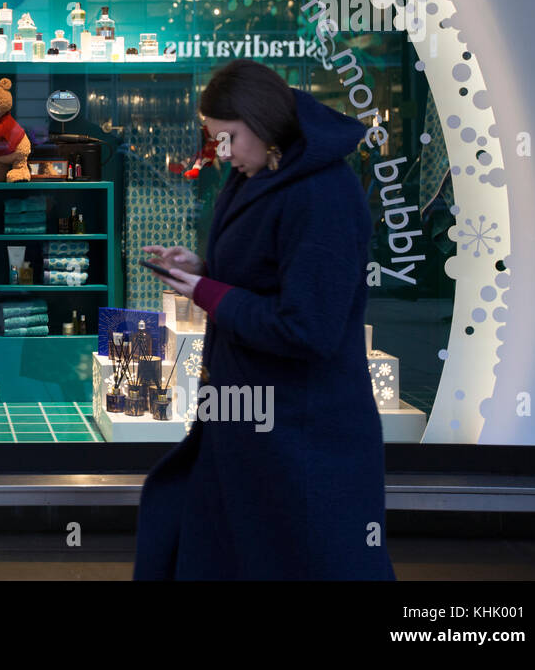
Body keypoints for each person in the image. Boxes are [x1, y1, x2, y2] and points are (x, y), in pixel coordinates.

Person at [134, 59, 394, 580]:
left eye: (227, 138)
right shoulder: (261, 170)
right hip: (249, 424)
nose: (222, 154)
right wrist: (203, 270)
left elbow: (308, 327)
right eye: (214, 141)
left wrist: (208, 292)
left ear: (261, 121)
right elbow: (268, 275)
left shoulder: (324, 195)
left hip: (301, 435)